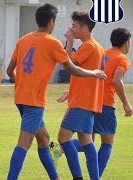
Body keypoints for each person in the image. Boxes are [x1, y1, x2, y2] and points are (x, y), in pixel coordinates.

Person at [6, 4, 106, 180]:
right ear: (51, 22)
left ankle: (56, 177)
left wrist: (23, 84)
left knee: (44, 139)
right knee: (25, 143)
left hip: (20, 97)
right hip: (34, 102)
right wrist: (94, 73)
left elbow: (9, 71)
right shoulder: (52, 43)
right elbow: (72, 69)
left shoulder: (23, 39)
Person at [56, 27, 132, 178]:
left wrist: (71, 91)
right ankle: (95, 176)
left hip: (91, 100)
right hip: (106, 104)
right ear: (126, 43)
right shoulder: (122, 59)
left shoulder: (103, 53)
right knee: (107, 142)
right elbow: (117, 80)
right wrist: (125, 103)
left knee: (88, 140)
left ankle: (57, 149)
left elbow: (87, 74)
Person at [56, 11, 105, 180]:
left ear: (85, 28)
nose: (72, 29)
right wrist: (71, 91)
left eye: (75, 26)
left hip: (81, 103)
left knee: (62, 139)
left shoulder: (88, 46)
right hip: (88, 101)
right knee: (86, 142)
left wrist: (68, 42)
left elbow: (67, 65)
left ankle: (78, 177)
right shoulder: (97, 46)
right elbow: (87, 74)